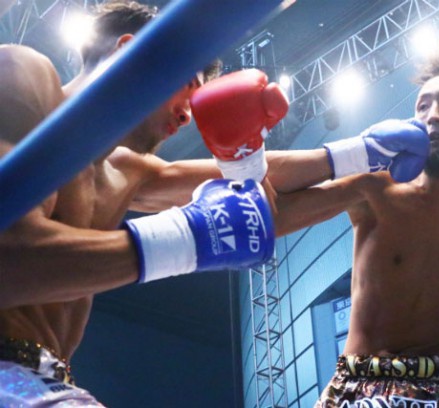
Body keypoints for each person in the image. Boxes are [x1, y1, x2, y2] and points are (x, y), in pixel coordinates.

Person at [0, 1, 338, 405]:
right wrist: (189, 239)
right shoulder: (20, 72)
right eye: (188, 83)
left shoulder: (123, 171)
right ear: (129, 50)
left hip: (46, 377)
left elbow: (254, 199)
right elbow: (7, 255)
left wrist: (363, 158)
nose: (188, 117)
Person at [273, 47, 439, 407]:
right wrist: (351, 153)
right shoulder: (376, 189)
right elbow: (267, 219)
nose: (433, 116)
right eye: (422, 106)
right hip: (358, 386)